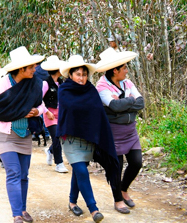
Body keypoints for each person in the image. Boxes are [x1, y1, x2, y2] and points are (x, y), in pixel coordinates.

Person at [0, 47, 47, 223]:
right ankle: (17, 214)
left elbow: (42, 106)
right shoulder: (2, 85)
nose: (35, 70)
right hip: (5, 134)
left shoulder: (34, 83)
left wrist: (36, 111)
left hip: (24, 134)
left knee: (23, 175)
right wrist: (19, 112)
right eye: (32, 67)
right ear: (21, 69)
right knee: (13, 172)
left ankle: (23, 209)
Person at [57, 55, 120, 222]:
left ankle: (72, 202)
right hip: (70, 138)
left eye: (84, 74)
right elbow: (72, 107)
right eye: (78, 74)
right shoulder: (64, 90)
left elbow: (97, 111)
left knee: (79, 170)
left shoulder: (91, 89)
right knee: (82, 171)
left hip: (87, 138)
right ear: (70, 75)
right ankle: (94, 209)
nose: (82, 78)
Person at [96, 48, 143, 211]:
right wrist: (130, 101)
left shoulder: (127, 83)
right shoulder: (101, 86)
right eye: (124, 68)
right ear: (115, 70)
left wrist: (124, 102)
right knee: (116, 167)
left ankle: (123, 190)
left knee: (136, 163)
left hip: (131, 132)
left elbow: (141, 102)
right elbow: (114, 106)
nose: (127, 70)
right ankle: (118, 200)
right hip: (113, 133)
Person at [40, 55, 69, 173]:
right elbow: (38, 100)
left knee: (62, 137)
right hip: (50, 115)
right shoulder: (45, 83)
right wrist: (46, 112)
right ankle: (59, 163)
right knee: (56, 137)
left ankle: (50, 151)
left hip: (61, 114)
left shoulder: (61, 83)